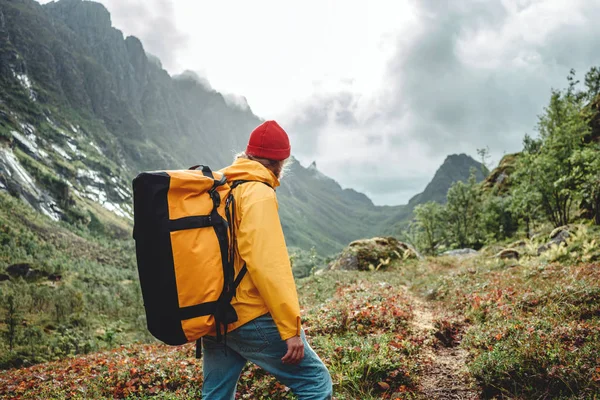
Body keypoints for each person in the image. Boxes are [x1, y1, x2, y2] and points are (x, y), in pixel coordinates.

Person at [201, 120, 333, 399]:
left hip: (216, 313)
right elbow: (267, 266)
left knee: (216, 395)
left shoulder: (221, 187)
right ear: (280, 162)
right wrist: (290, 330)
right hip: (249, 314)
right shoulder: (258, 193)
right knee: (315, 382)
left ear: (247, 155)